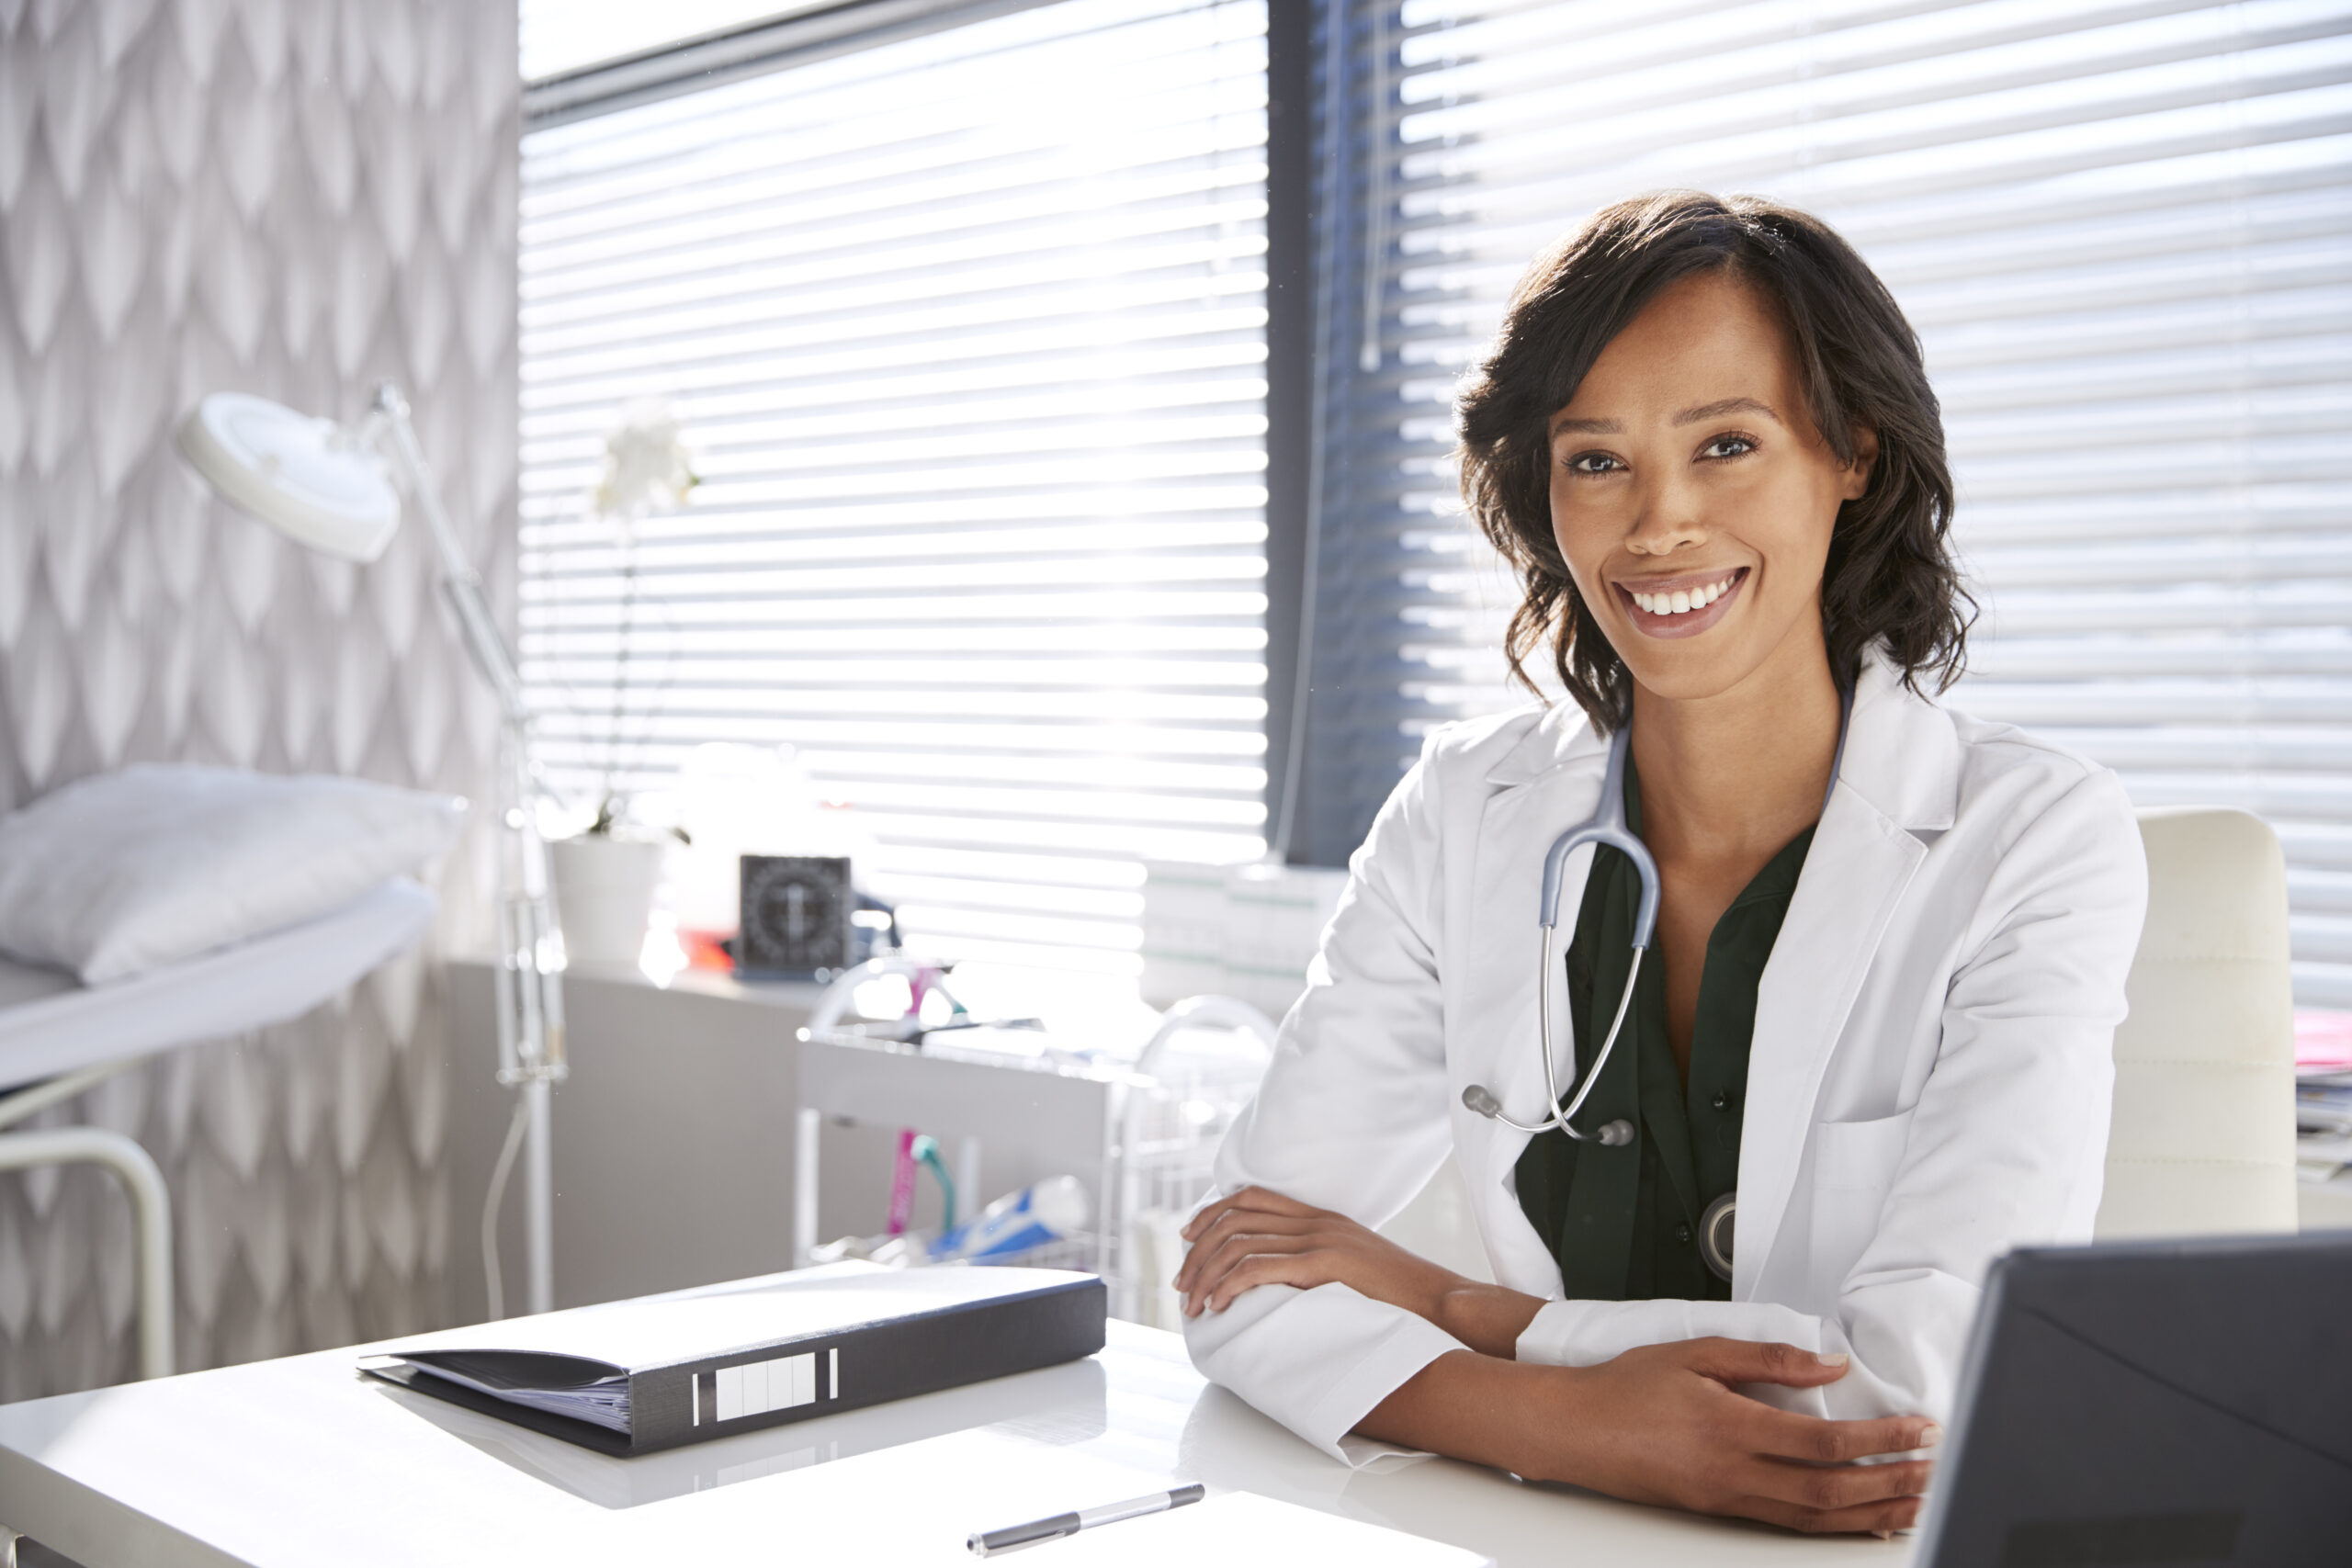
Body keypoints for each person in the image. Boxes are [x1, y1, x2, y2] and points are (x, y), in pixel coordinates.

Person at [1171, 192, 2149, 1538]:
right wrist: (1565, 1421)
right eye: (1596, 461)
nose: (1659, 524)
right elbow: (1245, 1274)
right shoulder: (1463, 811)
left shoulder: (2031, 838)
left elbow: (1907, 1409)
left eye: (1728, 445)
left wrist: (1464, 1313)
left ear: (1854, 453)